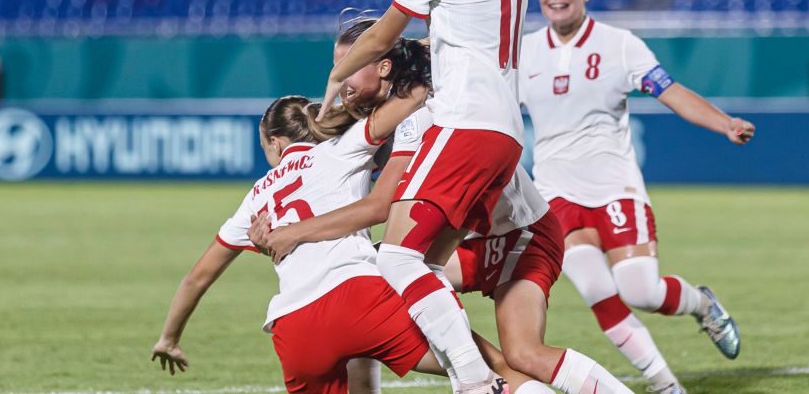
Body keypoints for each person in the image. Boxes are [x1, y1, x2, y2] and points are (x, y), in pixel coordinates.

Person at [316, 0, 585, 394]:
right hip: (506, 131)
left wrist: (333, 79)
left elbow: (378, 40)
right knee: (426, 267)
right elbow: (462, 36)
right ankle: (511, 385)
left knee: (394, 256)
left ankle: (472, 380)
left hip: (465, 124)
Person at [260, 19, 633, 394]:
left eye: (350, 66)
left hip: (520, 234)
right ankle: (478, 375)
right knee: (366, 284)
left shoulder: (421, 113)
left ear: (384, 66)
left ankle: (476, 377)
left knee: (524, 354)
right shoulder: (380, 121)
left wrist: (292, 233)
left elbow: (379, 206)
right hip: (470, 241)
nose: (340, 81)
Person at [150, 93, 556, 394]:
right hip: (361, 296)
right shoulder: (342, 149)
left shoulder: (255, 197)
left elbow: (196, 278)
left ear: (275, 142)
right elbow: (407, 102)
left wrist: (169, 338)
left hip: (294, 328)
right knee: (488, 368)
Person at [518, 0, 756, 394]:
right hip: (556, 194)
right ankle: (665, 385)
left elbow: (672, 92)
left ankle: (701, 303)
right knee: (597, 293)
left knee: (641, 292)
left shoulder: (619, 45)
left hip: (614, 187)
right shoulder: (524, 52)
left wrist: (725, 123)